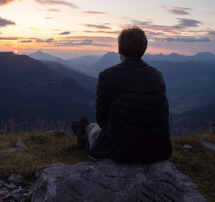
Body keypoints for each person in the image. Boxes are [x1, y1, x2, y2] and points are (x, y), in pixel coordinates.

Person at [72, 26, 172, 163]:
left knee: (94, 128)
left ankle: (85, 131)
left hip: (122, 152)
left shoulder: (107, 76)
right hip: (158, 151)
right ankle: (85, 128)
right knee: (96, 128)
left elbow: (102, 120)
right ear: (144, 49)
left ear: (119, 49)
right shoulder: (157, 75)